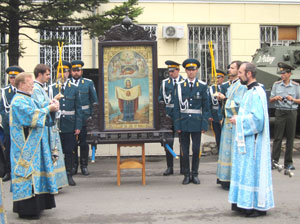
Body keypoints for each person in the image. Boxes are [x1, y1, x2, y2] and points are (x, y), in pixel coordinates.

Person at [10, 72, 59, 219]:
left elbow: (40, 108)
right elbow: (32, 117)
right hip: (25, 147)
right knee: (27, 175)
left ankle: (39, 206)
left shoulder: (27, 98)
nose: (32, 85)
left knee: (36, 174)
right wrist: (48, 110)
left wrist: (51, 105)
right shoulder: (18, 101)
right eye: (30, 83)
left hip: (35, 146)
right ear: (21, 84)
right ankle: (27, 210)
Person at [229, 62, 274, 217]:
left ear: (249, 74)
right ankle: (244, 204)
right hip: (247, 141)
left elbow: (258, 121)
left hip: (253, 143)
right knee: (245, 172)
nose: (238, 75)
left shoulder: (257, 92)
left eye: (240, 72)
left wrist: (239, 120)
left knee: (252, 173)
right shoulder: (249, 91)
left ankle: (256, 206)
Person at [32, 64, 68, 188]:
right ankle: (49, 183)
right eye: (47, 74)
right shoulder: (36, 88)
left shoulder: (41, 87)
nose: (48, 77)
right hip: (44, 127)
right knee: (48, 154)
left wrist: (52, 101)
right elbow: (40, 106)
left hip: (49, 125)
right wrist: (51, 103)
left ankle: (54, 183)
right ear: (40, 74)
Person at [174, 59, 209, 185]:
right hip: (183, 122)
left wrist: (204, 124)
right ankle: (186, 174)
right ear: (185, 71)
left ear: (197, 71)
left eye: (193, 70)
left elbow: (206, 107)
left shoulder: (203, 86)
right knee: (184, 150)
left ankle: (195, 174)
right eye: (189, 70)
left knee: (195, 149)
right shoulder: (179, 86)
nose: (191, 72)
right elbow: (177, 107)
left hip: (197, 122)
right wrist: (177, 125)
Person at [216, 61, 247, 190]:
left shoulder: (242, 86)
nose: (230, 69)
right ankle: (224, 178)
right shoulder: (232, 84)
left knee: (232, 152)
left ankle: (232, 179)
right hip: (228, 123)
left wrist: (224, 99)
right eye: (230, 67)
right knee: (226, 151)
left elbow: (239, 105)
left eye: (233, 68)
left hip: (235, 124)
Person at [51, 61, 82, 186]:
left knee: (69, 151)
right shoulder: (51, 88)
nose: (62, 74)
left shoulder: (74, 88)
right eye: (60, 71)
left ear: (68, 73)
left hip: (69, 125)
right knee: (55, 152)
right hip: (55, 125)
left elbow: (78, 108)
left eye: (65, 71)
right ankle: (56, 177)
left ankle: (69, 174)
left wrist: (78, 126)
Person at [270, 62, 300, 171]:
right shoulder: (276, 84)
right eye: (281, 73)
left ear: (289, 74)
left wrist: (293, 99)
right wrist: (276, 98)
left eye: (284, 73)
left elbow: (299, 99)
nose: (282, 75)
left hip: (291, 112)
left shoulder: (296, 86)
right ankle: (274, 161)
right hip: (280, 111)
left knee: (290, 138)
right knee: (278, 137)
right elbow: (270, 99)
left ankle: (288, 163)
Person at [70, 60, 98, 176]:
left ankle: (84, 166)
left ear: (81, 71)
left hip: (85, 117)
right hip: (72, 117)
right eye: (74, 70)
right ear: (71, 72)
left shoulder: (88, 83)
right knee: (72, 144)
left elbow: (94, 100)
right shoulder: (67, 83)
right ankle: (74, 166)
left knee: (84, 143)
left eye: (78, 70)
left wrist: (92, 115)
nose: (76, 73)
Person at [158, 60, 185, 176]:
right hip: (168, 116)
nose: (170, 73)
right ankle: (170, 167)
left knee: (183, 142)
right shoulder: (165, 83)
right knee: (168, 142)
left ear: (178, 70)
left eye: (173, 71)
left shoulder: (184, 82)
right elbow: (160, 98)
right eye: (169, 71)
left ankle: (183, 167)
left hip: (181, 116)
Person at [0, 66, 24, 182]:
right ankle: (9, 171)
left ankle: (21, 171)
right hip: (9, 126)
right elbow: (2, 108)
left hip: (20, 126)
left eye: (15, 78)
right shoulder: (5, 91)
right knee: (8, 149)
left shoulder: (24, 91)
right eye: (11, 78)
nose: (12, 80)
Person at [208, 69, 226, 152]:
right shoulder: (211, 88)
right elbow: (208, 102)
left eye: (219, 78)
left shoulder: (226, 87)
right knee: (217, 134)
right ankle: (219, 151)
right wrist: (210, 115)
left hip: (225, 114)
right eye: (216, 78)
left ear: (223, 78)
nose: (217, 79)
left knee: (225, 134)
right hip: (215, 114)